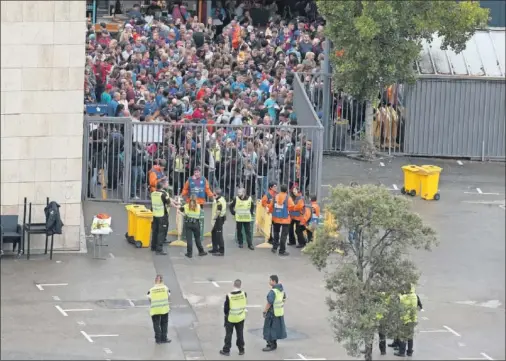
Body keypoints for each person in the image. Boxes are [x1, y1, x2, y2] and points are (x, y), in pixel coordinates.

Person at [393, 285, 423, 357]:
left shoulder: (406, 296)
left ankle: (402, 352)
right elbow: (420, 307)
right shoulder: (415, 296)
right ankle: (409, 352)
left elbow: (399, 299)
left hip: (406, 319)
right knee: (410, 336)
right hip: (413, 319)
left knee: (403, 336)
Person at [220, 279, 247, 356]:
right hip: (240, 317)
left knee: (228, 334)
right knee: (240, 334)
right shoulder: (244, 294)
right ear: (240, 285)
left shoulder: (229, 296)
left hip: (231, 318)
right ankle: (241, 350)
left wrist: (226, 315)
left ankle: (226, 350)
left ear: (234, 285)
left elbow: (226, 309)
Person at [151, 181, 179, 254]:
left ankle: (153, 246)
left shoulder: (153, 193)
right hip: (162, 216)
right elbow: (169, 203)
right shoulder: (164, 194)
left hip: (155, 215)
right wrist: (177, 206)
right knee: (161, 232)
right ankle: (159, 249)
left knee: (155, 231)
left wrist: (175, 203)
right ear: (162, 186)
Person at [262, 275, 287, 352]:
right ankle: (274, 344)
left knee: (269, 329)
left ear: (273, 281)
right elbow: (284, 299)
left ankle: (270, 345)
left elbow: (269, 303)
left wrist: (265, 311)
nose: (269, 282)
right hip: (279, 312)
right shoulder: (281, 290)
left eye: (270, 280)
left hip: (272, 313)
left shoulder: (273, 292)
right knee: (275, 329)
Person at [268, 184, 294, 256]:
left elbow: (271, 206)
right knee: (284, 235)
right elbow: (292, 206)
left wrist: (270, 212)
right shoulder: (288, 198)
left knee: (276, 233)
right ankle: (282, 251)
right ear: (286, 190)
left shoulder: (275, 196)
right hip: (285, 219)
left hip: (276, 218)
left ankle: (274, 248)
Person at [147, 274, 171, 344]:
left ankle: (158, 339)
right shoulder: (165, 288)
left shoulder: (151, 290)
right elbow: (169, 294)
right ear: (162, 281)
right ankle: (164, 338)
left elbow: (149, 297)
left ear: (155, 281)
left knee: (156, 324)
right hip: (164, 309)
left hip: (155, 310)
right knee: (164, 323)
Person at [210, 188, 227, 256]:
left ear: (217, 194)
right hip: (220, 218)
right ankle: (215, 248)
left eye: (214, 194)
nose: (213, 195)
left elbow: (219, 210)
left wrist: (215, 217)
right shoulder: (221, 199)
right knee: (213, 232)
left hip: (219, 219)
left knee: (219, 235)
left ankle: (221, 250)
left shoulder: (219, 201)